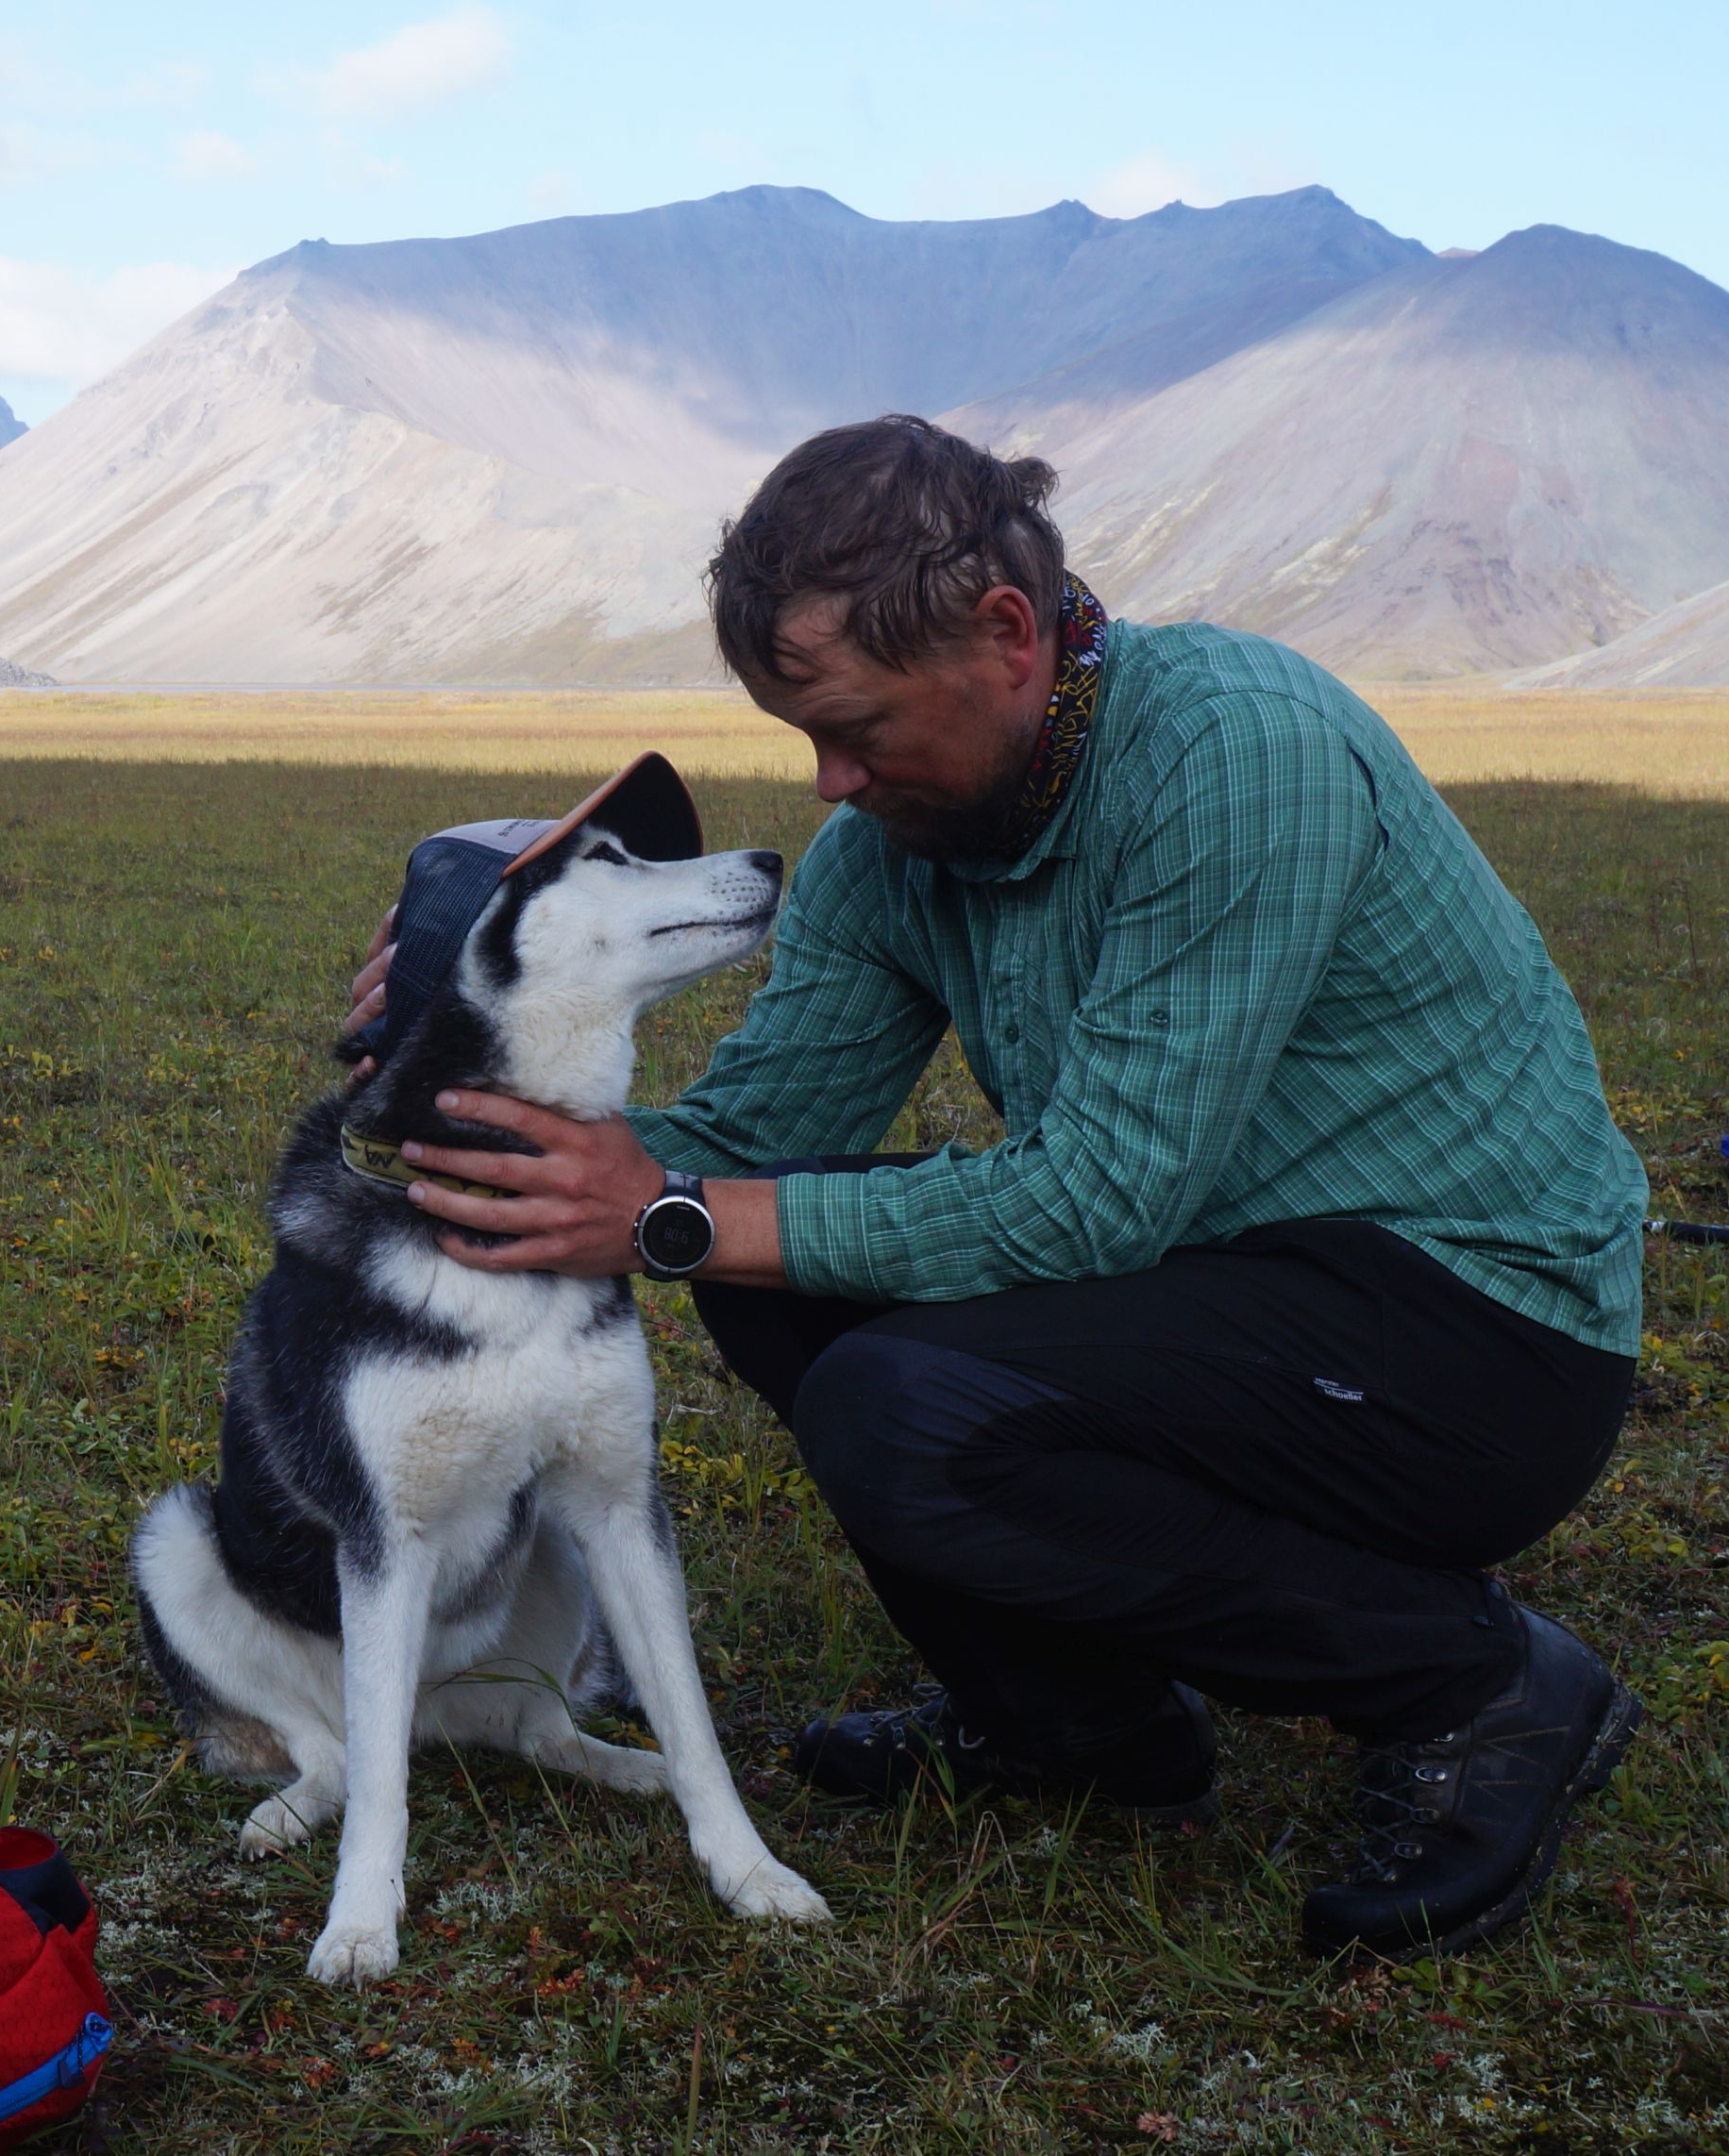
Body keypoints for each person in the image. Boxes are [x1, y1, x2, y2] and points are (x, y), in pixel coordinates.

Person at [339, 415, 1648, 1963]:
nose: (829, 782)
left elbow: (1096, 1201)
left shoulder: (1237, 751)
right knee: (790, 1275)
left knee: (895, 1395)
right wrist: (456, 1073)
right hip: (1227, 1289)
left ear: (1005, 638)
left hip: (1475, 1339)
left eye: (857, 726)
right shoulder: (896, 841)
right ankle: (1078, 1728)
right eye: (800, 734)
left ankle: (1473, 1684)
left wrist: (672, 1215)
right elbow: (748, 1141)